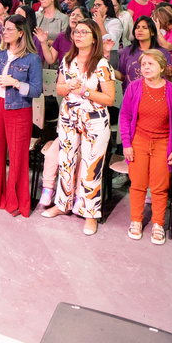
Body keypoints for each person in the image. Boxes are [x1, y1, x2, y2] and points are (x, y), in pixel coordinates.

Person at [42, 18, 116, 235]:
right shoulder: (68, 59)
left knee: (91, 166)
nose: (78, 35)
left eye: (84, 32)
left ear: (94, 38)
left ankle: (90, 213)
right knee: (66, 161)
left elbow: (109, 99)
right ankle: (62, 204)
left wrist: (84, 90)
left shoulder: (101, 64)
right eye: (76, 32)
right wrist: (68, 87)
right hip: (68, 116)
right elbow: (59, 89)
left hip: (94, 119)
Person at [0, 13, 43, 217]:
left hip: (19, 110)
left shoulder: (33, 59)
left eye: (9, 29)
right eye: (4, 28)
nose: (4, 32)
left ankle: (15, 202)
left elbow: (36, 90)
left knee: (17, 157)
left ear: (21, 33)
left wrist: (14, 83)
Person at [119, 49, 172, 245]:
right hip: (138, 140)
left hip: (163, 143)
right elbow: (125, 117)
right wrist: (126, 143)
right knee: (137, 184)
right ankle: (136, 221)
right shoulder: (134, 87)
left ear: (162, 68)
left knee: (159, 186)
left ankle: (158, 223)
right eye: (143, 64)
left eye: (151, 64)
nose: (146, 68)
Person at [117, 16, 158, 84]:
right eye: (137, 27)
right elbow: (122, 76)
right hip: (131, 93)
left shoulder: (162, 52)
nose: (140, 30)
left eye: (144, 28)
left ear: (153, 32)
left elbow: (166, 79)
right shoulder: (126, 51)